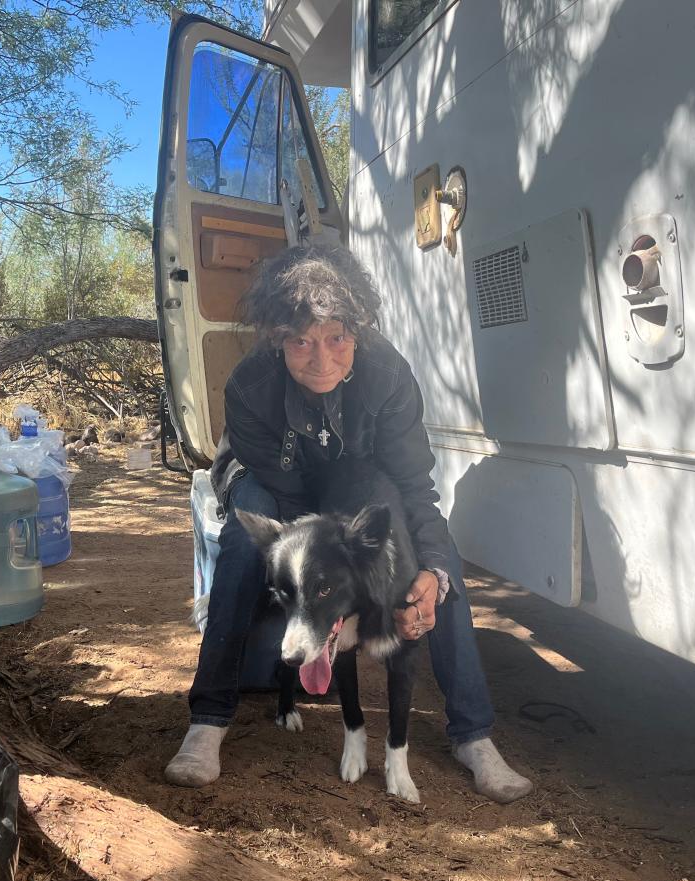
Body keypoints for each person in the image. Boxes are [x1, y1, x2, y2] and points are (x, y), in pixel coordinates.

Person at [164, 242, 533, 804]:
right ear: (276, 339)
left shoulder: (388, 377)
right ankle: (209, 719)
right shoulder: (249, 387)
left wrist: (428, 569)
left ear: (357, 330)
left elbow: (414, 487)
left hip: (356, 478)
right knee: (243, 544)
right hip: (273, 480)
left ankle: (473, 734)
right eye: (300, 342)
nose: (321, 359)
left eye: (336, 337)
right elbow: (292, 500)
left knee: (442, 564)